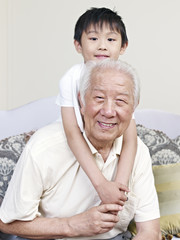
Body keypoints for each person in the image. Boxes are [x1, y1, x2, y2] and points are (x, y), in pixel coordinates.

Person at [0, 59, 161, 240]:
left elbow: (149, 231)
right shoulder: (44, 148)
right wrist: (71, 226)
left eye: (121, 101)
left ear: (134, 107)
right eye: (99, 98)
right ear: (81, 102)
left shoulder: (138, 151)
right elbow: (7, 223)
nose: (108, 111)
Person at [56, 7, 137, 207]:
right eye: (93, 39)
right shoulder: (71, 78)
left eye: (110, 40)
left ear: (123, 46)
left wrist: (118, 185)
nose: (102, 46)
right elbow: (73, 133)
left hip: (105, 145)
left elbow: (130, 139)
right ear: (78, 45)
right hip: (77, 143)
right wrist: (101, 184)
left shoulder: (124, 79)